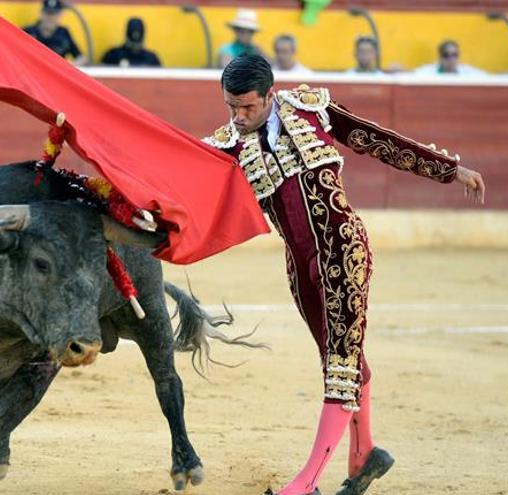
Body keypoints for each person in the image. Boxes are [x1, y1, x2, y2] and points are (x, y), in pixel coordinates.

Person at [202, 55, 485, 495]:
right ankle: (365, 453)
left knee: (340, 365)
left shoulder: (311, 109)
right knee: (341, 360)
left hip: (343, 250)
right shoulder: (225, 144)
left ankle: (306, 484)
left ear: (269, 96)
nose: (238, 118)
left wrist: (450, 170)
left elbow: (378, 140)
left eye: (248, 108)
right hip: (300, 265)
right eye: (231, 108)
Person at [23, 0, 87, 65]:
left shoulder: (64, 33)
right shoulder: (28, 32)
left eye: (54, 14)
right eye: (48, 13)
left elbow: (81, 58)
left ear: (60, 16)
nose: (50, 17)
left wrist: (69, 66)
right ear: (41, 13)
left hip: (56, 73)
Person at [414, 40, 486, 76]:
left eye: (455, 55)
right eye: (446, 55)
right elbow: (411, 76)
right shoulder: (429, 71)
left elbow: (488, 78)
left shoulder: (467, 71)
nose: (451, 59)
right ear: (440, 58)